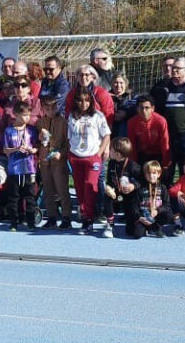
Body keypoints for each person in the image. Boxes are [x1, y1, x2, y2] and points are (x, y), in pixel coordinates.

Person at [64, 88, 111, 235]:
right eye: (79, 100)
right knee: (79, 189)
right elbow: (68, 137)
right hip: (76, 156)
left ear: (91, 101)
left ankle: (88, 220)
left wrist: (100, 152)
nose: (83, 103)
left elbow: (106, 135)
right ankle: (85, 215)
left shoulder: (98, 116)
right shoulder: (72, 116)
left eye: (86, 100)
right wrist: (69, 153)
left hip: (92, 157)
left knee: (89, 186)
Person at [149, 58, 185, 177]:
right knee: (167, 170)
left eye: (177, 69)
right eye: (173, 68)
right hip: (167, 136)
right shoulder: (161, 87)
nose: (174, 71)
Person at [0, 104, 41, 231]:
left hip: (29, 168)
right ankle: (13, 222)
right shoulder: (9, 130)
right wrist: (16, 149)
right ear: (16, 115)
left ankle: (30, 222)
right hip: (14, 169)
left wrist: (32, 150)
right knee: (14, 197)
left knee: (30, 196)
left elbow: (37, 146)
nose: (27, 118)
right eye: (24, 115)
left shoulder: (31, 130)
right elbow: (5, 150)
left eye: (29, 115)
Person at [121, 160, 174, 239]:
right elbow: (134, 206)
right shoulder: (140, 188)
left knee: (168, 214)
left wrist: (157, 211)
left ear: (159, 174)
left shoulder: (163, 188)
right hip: (143, 216)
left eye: (154, 173)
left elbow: (167, 205)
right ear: (145, 175)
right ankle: (146, 228)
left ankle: (156, 227)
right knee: (136, 234)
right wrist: (139, 217)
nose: (151, 176)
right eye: (148, 173)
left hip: (156, 215)